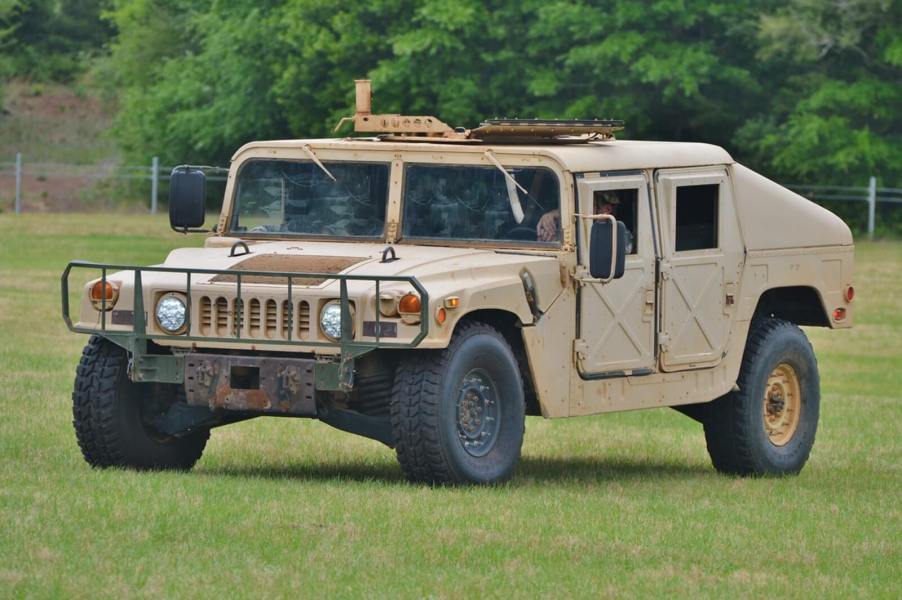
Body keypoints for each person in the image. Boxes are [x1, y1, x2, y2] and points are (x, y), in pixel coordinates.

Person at [536, 191, 633, 252]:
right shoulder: (580, 225)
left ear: (607, 209)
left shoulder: (620, 235)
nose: (580, 209)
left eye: (588, 204)